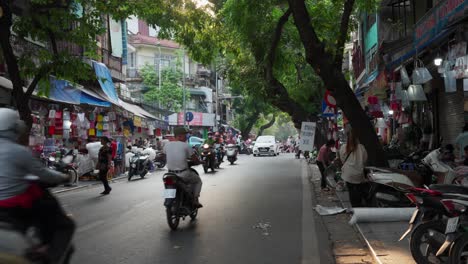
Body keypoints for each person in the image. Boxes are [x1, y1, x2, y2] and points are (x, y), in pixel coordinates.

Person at [0, 108, 75, 263]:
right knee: (54, 214)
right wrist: (64, 177)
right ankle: (48, 250)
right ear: (16, 128)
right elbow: (44, 174)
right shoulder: (19, 151)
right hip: (14, 205)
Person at [164, 127, 203, 207]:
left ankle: (168, 200)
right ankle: (195, 200)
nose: (186, 137)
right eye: (185, 135)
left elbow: (165, 155)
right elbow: (194, 159)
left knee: (168, 184)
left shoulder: (166, 145)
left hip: (170, 174)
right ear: (180, 136)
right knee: (198, 181)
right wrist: (199, 162)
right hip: (183, 174)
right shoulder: (186, 146)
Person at [338, 128, 368, 207]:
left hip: (348, 174)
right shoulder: (361, 148)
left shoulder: (344, 147)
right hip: (359, 173)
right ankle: (359, 205)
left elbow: (342, 160)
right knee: (359, 190)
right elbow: (365, 160)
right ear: (357, 137)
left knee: (351, 192)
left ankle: (355, 208)